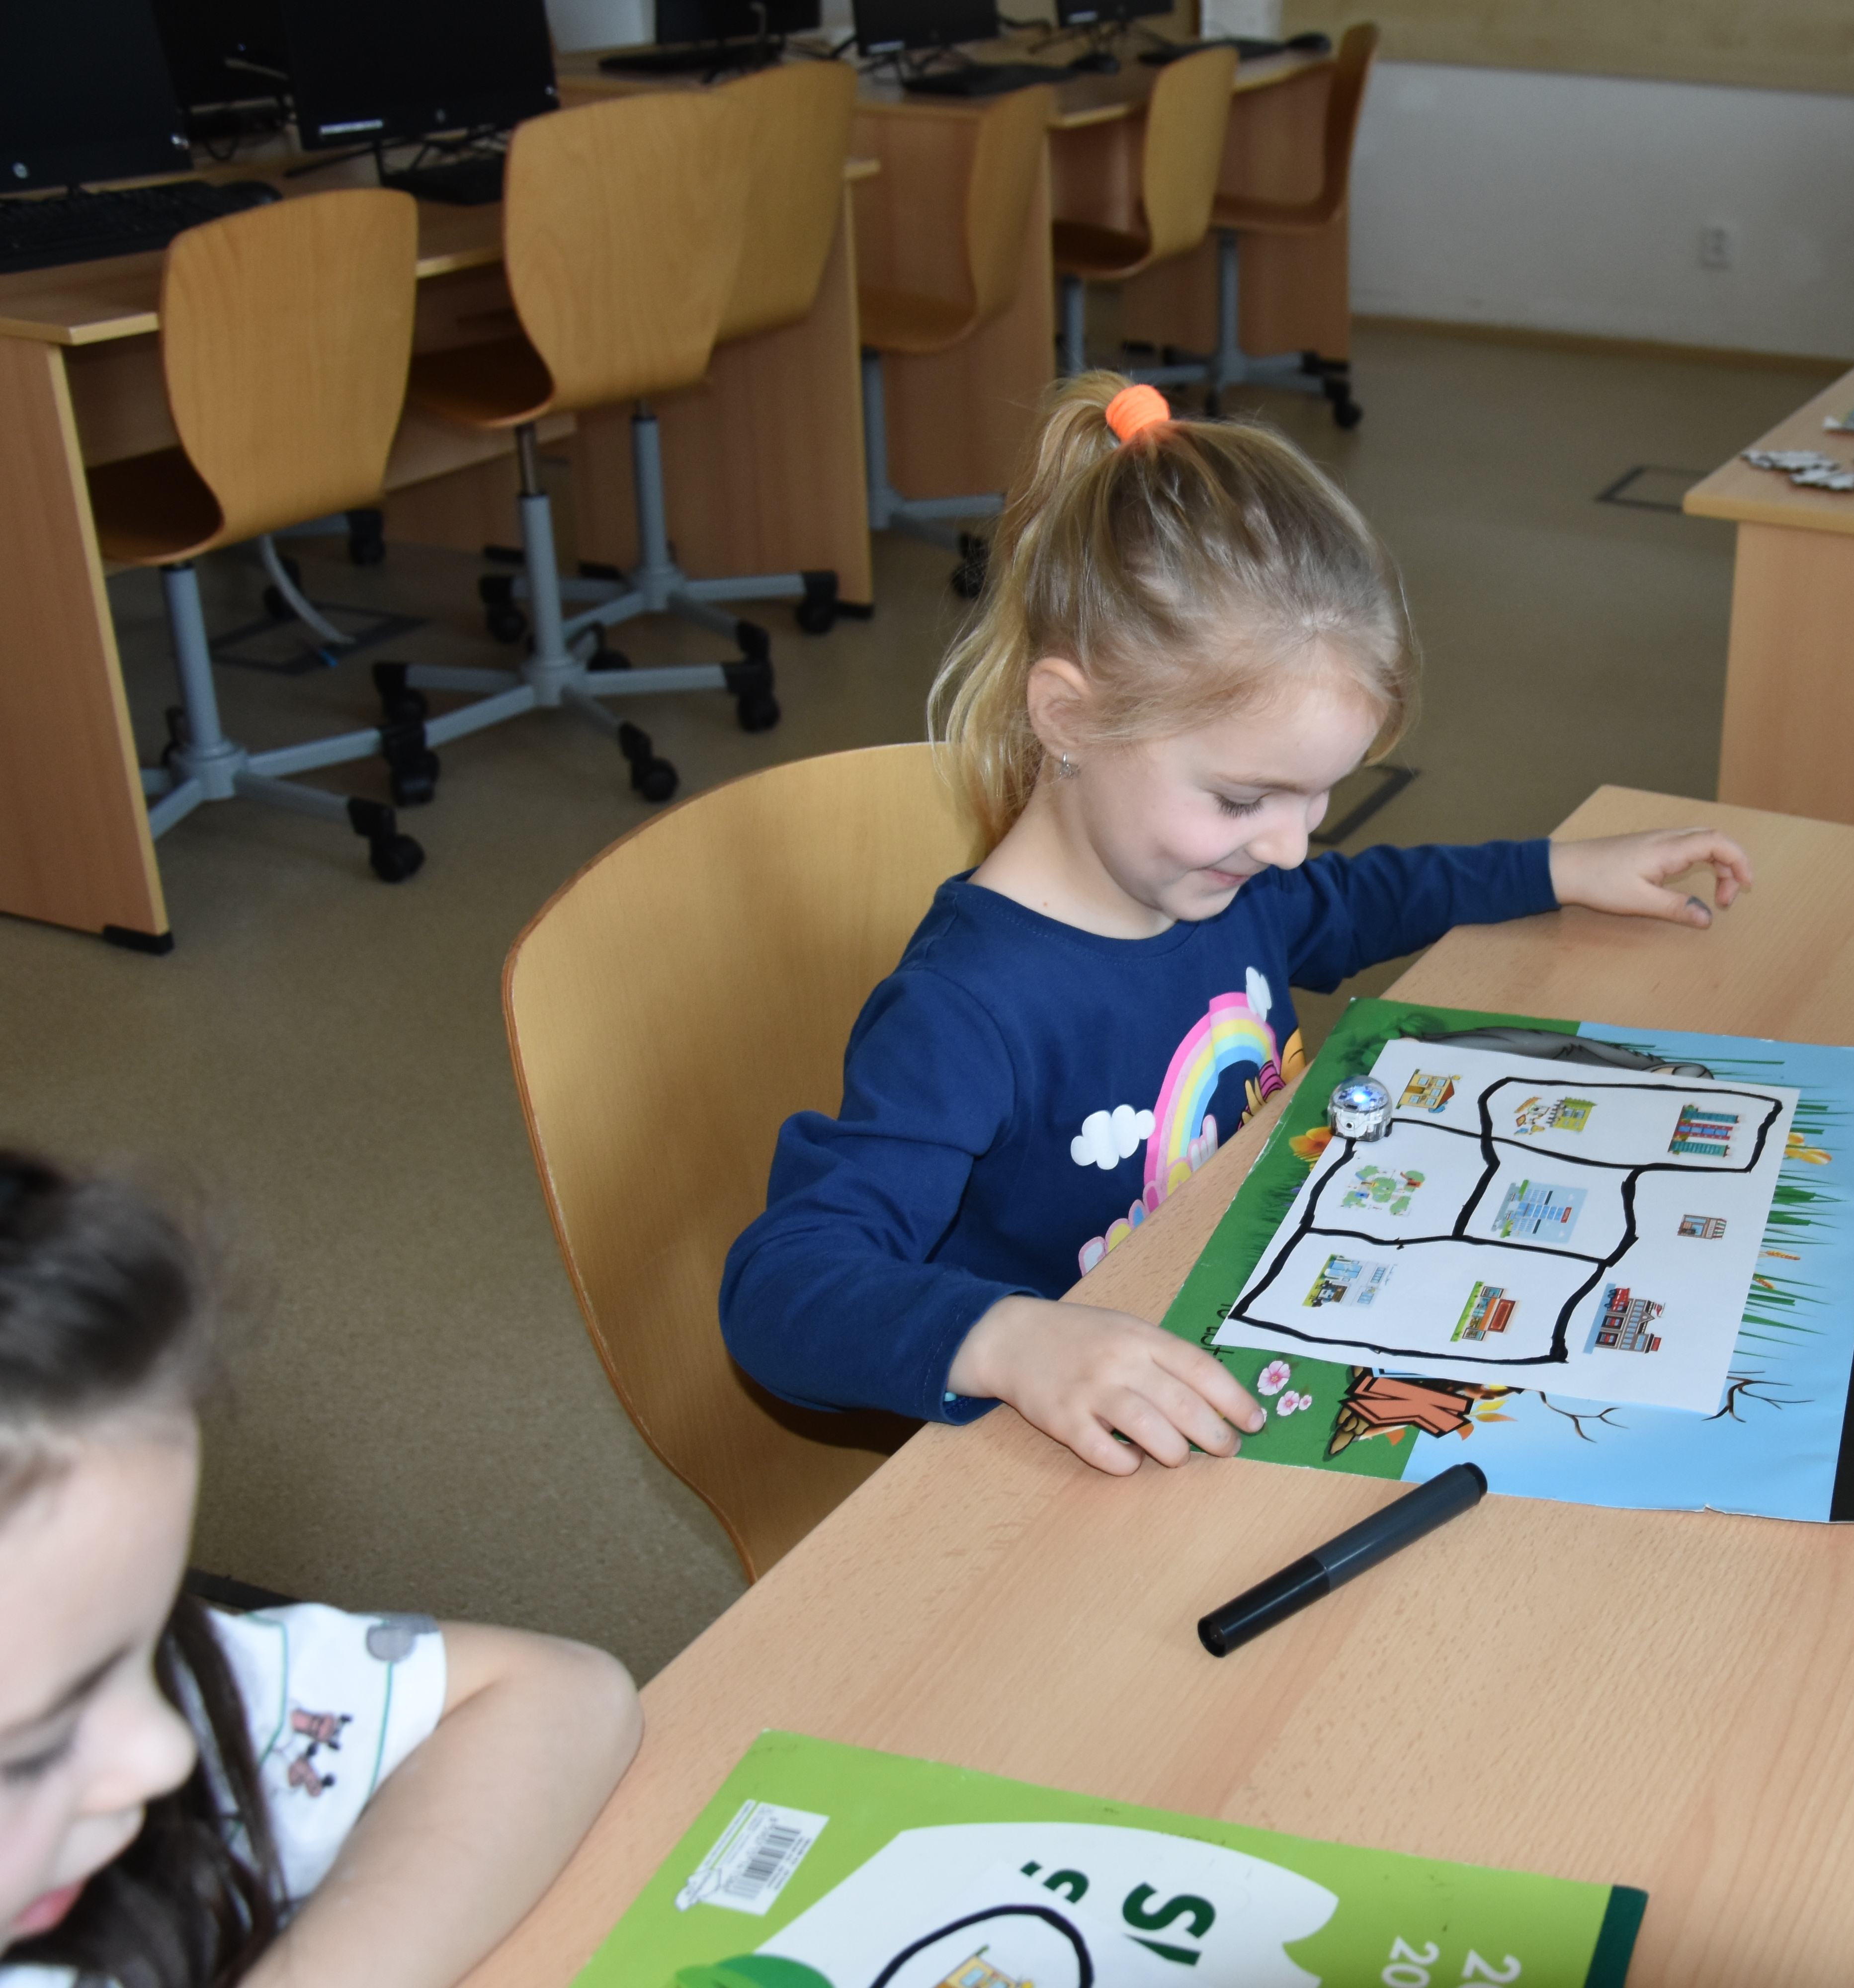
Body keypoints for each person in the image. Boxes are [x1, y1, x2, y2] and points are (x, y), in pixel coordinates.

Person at [723, 377, 1754, 1475]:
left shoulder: (1216, 880)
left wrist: (1557, 868)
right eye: (1245, 798)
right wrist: (1011, 1339)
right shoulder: (965, 1010)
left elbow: (1361, 898)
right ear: (1069, 717)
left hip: (1234, 1337)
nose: (1290, 847)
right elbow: (783, 1285)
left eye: (1320, 796)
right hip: (1065, 1459)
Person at [0, 1152, 642, 1988]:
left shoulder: (139, 1697)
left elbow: (562, 1697)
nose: (166, 1752)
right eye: (35, 1752)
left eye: (155, 1641)